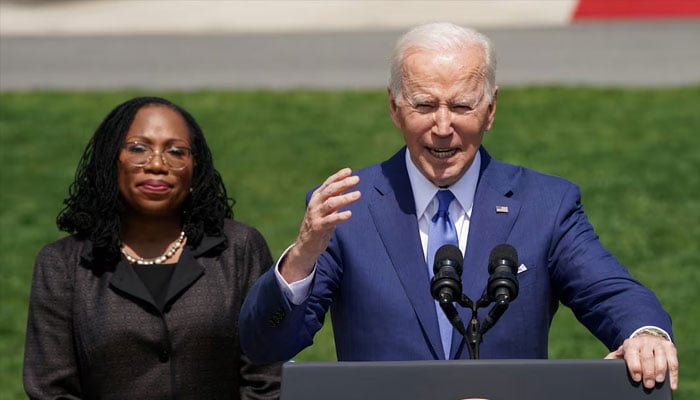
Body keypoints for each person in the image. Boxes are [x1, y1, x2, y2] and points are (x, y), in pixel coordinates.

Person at [239, 22, 678, 391]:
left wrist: (647, 333)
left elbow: (612, 291)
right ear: (394, 107)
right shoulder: (346, 209)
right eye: (425, 105)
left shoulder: (545, 204)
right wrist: (302, 255)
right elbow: (266, 344)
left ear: (490, 110)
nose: (443, 128)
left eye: (463, 106)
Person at [24, 96, 282, 399]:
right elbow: (50, 391)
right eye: (138, 148)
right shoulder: (62, 265)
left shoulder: (239, 249)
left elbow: (267, 378)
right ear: (111, 160)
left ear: (194, 167)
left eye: (176, 152)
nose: (158, 164)